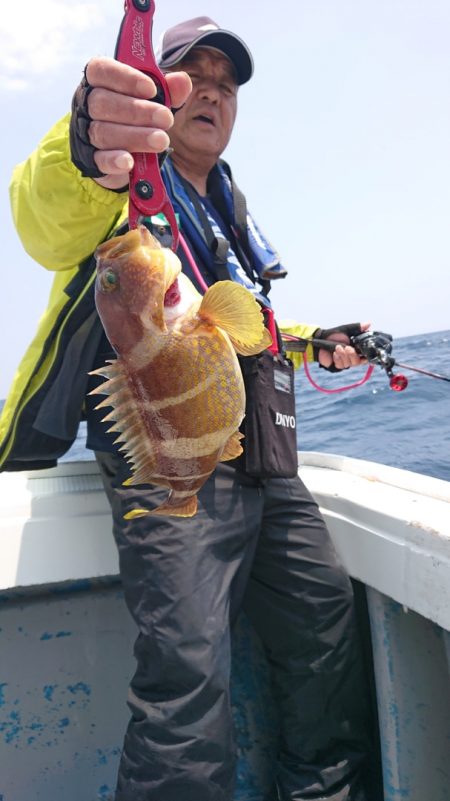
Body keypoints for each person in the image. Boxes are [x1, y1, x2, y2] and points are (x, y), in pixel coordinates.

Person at [1, 16, 382, 801]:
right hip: (172, 466)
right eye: (192, 74)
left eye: (226, 81)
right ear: (156, 93)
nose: (211, 90)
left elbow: (244, 325)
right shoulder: (121, 187)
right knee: (187, 677)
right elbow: (45, 216)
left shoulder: (229, 213)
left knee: (325, 627)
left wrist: (318, 342)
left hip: (265, 464)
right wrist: (85, 140)